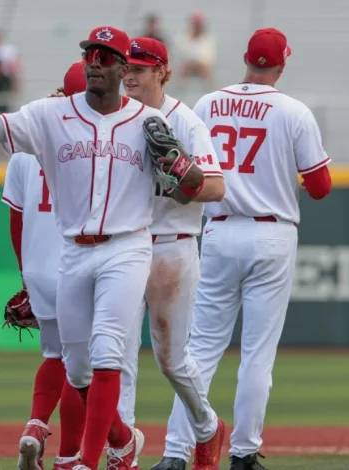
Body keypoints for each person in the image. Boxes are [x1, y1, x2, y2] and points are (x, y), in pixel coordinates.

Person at [0, 20, 204, 470]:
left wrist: (179, 163)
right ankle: (122, 443)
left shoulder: (148, 122)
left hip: (127, 248)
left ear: (124, 69)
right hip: (74, 252)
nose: (95, 63)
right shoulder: (50, 115)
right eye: (90, 55)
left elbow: (193, 187)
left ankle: (85, 461)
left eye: (105, 58)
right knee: (78, 368)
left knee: (106, 355)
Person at [155, 28, 333, 470]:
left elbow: (187, 168)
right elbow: (321, 187)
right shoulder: (293, 111)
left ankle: (176, 452)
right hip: (272, 232)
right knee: (257, 353)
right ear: (282, 63)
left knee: (197, 352)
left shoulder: (208, 103)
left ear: (245, 59)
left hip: (218, 228)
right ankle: (244, 453)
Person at [120, 37, 227, 470]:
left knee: (171, 360)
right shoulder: (116, 119)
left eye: (141, 67)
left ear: (163, 71)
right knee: (117, 356)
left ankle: (206, 426)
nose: (130, 74)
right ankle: (120, 451)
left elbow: (216, 189)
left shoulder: (185, 121)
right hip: (123, 246)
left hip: (171, 247)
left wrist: (184, 170)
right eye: (127, 66)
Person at [5, 62, 87, 470]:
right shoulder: (92, 141)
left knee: (54, 355)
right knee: (81, 369)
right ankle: (69, 457)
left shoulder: (27, 140)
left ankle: (35, 427)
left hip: (37, 267)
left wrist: (24, 273)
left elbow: (16, 219)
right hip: (77, 266)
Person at [176, 12, 216, 91]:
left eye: (198, 25)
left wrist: (197, 61)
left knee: (206, 69)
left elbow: (209, 56)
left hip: (201, 65)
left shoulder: (208, 38)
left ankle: (208, 89)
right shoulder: (183, 36)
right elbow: (181, 53)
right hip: (188, 64)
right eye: (195, 25)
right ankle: (182, 88)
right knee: (184, 67)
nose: (197, 27)